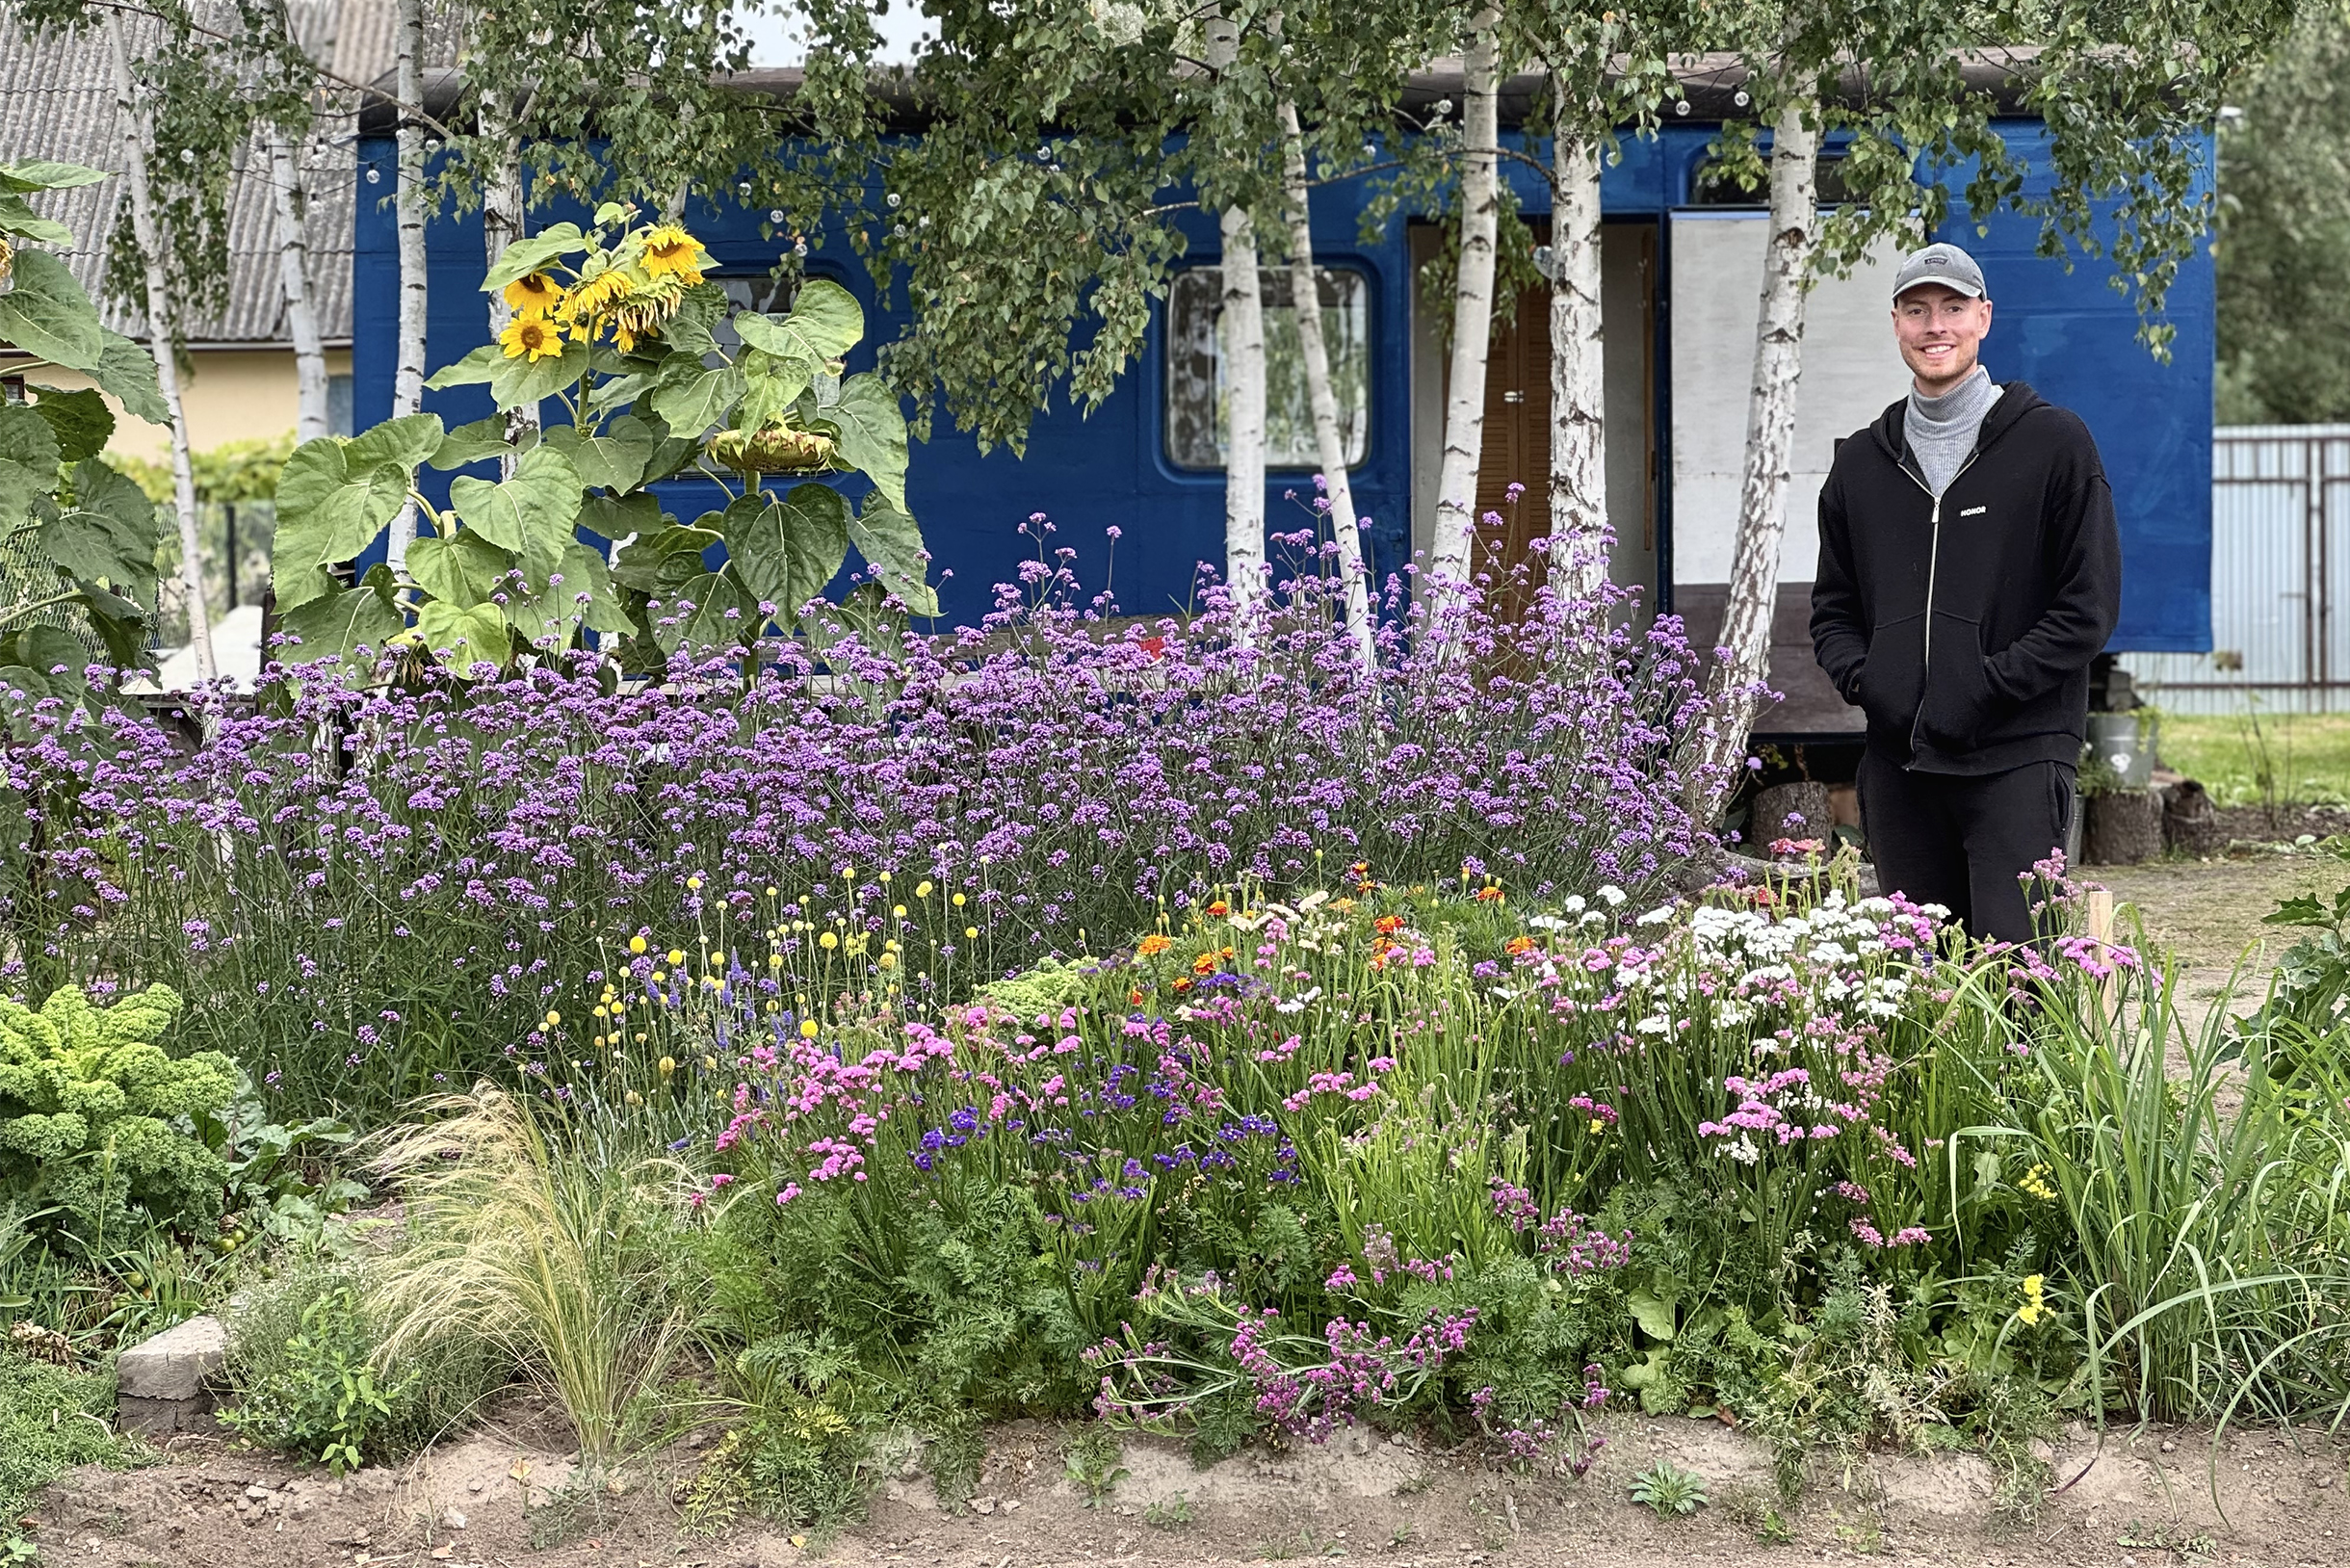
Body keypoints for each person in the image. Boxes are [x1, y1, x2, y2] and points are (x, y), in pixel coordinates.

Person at [1810, 242, 2120, 945]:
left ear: (1983, 317)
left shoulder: (2054, 445)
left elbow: (2087, 609)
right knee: (1916, 985)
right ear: (1895, 324)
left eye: (1952, 308)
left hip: (2017, 755)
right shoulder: (1860, 465)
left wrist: (1983, 686)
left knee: (2019, 982)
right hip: (1900, 765)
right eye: (1917, 311)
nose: (1935, 326)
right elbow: (1833, 609)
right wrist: (1873, 683)